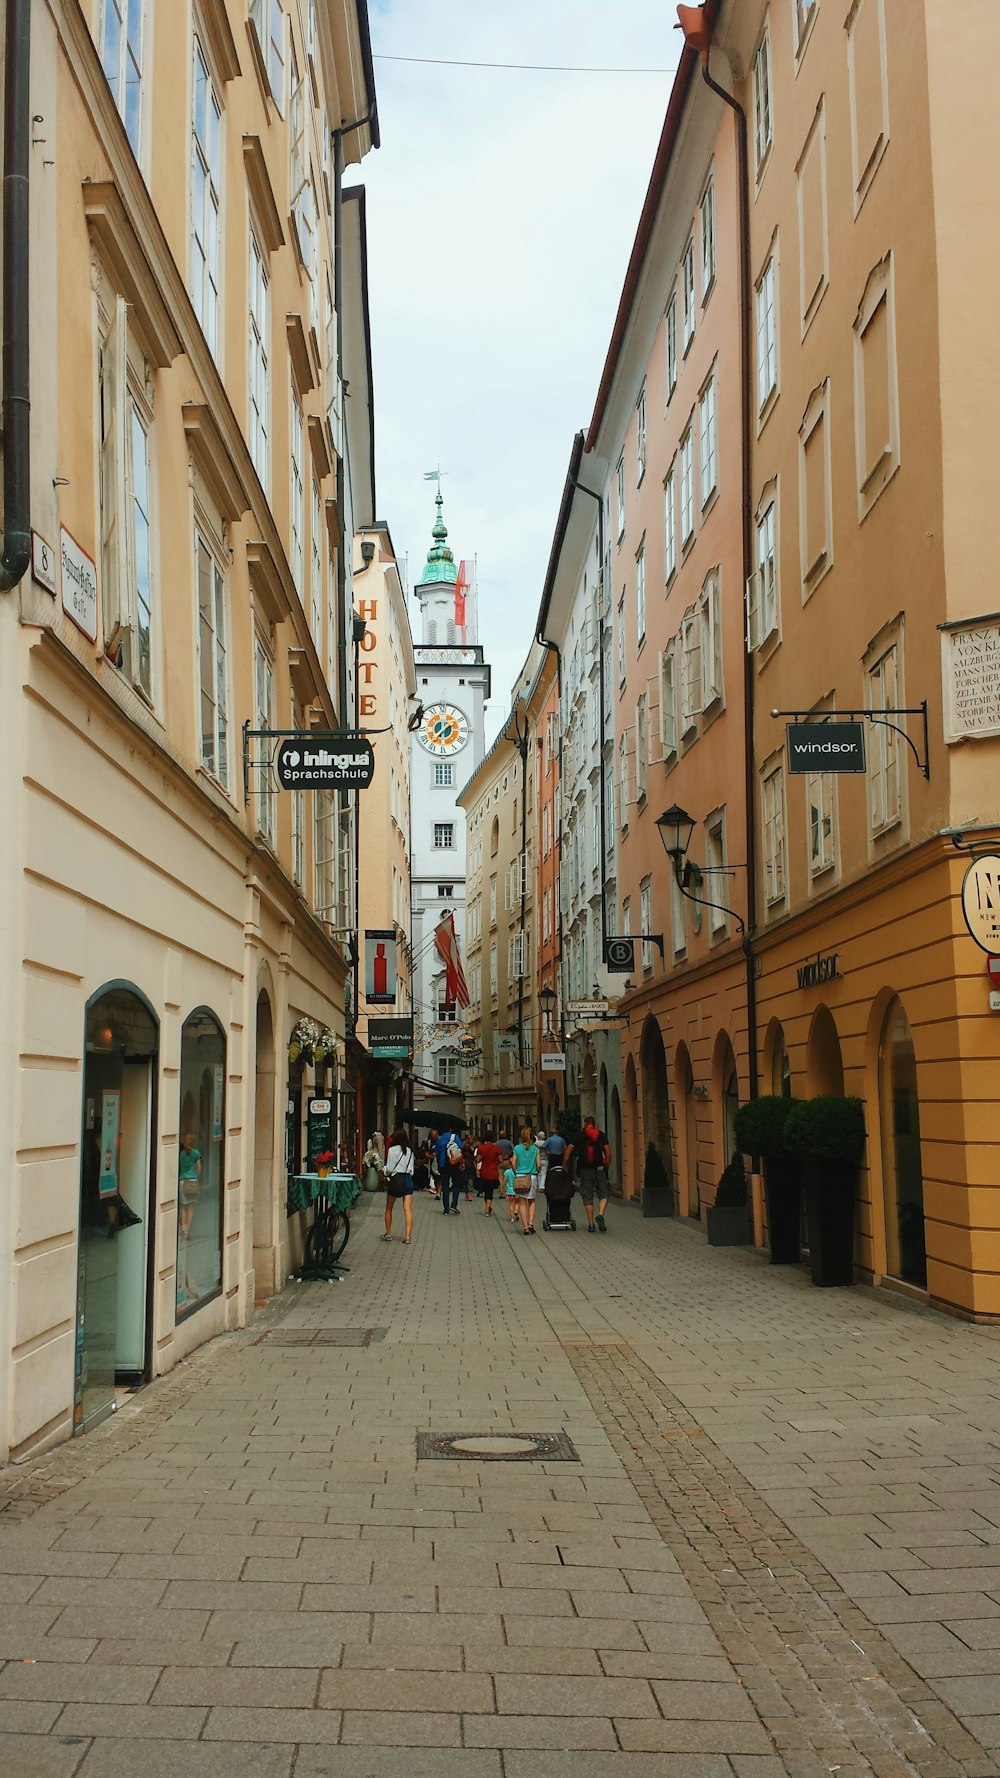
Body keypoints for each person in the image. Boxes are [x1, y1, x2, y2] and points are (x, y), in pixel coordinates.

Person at [566, 1115, 612, 1232]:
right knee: (603, 1194)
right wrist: (606, 1164)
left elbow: (568, 1151)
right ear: (594, 1124)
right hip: (599, 1168)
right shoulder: (601, 1135)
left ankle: (591, 1224)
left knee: (587, 1196)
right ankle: (600, 1214)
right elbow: (608, 1151)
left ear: (585, 1124)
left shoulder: (579, 1136)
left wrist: (564, 1165)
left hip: (585, 1169)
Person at [381, 1127, 415, 1244]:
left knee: (389, 1208)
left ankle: (388, 1233)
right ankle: (407, 1236)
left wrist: (384, 1170)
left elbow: (389, 1168)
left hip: (396, 1180)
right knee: (408, 1209)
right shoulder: (410, 1151)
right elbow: (411, 1169)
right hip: (408, 1180)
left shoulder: (392, 1150)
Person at [512, 1124, 540, 1234]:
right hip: (532, 1176)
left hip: (520, 1176)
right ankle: (531, 1223)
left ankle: (525, 1227)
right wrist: (536, 1171)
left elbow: (513, 1163)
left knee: (522, 1202)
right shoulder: (535, 1149)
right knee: (532, 1201)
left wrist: (516, 1172)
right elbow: (539, 1164)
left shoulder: (517, 1148)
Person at [476, 1128, 501, 1215]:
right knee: (490, 1191)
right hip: (493, 1171)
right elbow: (500, 1160)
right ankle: (487, 1209)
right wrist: (495, 1162)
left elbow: (478, 1160)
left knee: (486, 1190)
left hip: (484, 1172)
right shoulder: (496, 1148)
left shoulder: (481, 1148)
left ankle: (487, 1207)